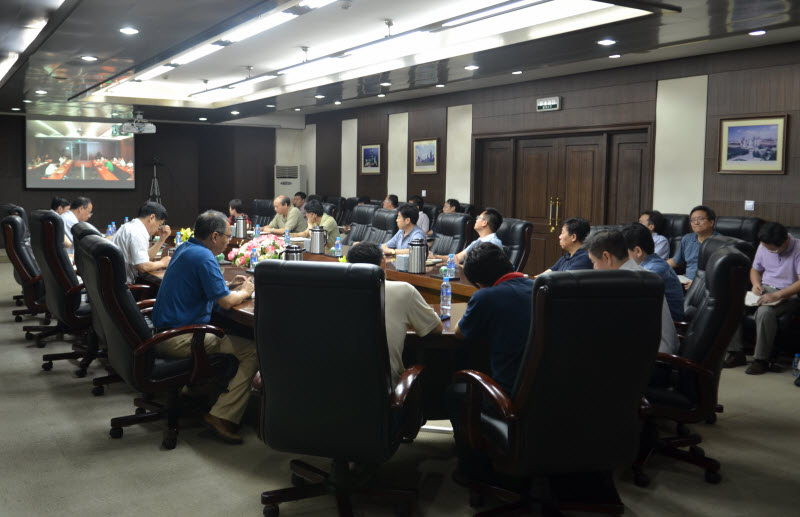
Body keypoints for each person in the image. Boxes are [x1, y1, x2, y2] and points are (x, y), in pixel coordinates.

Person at [152, 210, 257, 444]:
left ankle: (194, 391)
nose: (229, 241)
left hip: (163, 333)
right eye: (227, 236)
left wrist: (228, 285)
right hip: (179, 338)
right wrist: (245, 291)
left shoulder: (186, 248)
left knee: (232, 334)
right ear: (214, 236)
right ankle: (221, 416)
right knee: (252, 350)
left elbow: (203, 286)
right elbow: (226, 302)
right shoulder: (204, 257)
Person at [447, 242, 534, 480]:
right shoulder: (539, 288)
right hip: (550, 392)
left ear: (478, 282)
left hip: (510, 397)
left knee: (457, 391)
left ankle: (473, 470)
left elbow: (459, 333)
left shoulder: (486, 296)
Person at [346, 241, 442, 386]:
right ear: (383, 263)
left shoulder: (334, 294)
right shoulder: (404, 290)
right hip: (383, 390)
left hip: (337, 389)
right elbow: (436, 329)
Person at [586, 230, 679, 355]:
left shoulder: (624, 285)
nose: (594, 268)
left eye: (593, 262)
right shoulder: (642, 275)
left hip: (654, 359)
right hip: (656, 351)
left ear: (607, 257)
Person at [724, 222, 800, 375]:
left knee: (765, 312)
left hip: (789, 294)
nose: (770, 251)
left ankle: (761, 360)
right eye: (767, 248)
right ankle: (736, 353)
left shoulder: (798, 248)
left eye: (773, 249)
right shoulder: (764, 245)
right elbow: (755, 269)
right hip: (765, 289)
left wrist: (778, 295)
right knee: (732, 304)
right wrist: (756, 284)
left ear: (785, 241)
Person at [622, 222, 686, 321]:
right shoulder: (651, 262)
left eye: (624, 252)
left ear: (638, 251)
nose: (622, 256)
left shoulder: (653, 270)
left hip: (669, 323)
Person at [110, 201, 172, 283]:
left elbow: (145, 258)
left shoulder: (130, 226)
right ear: (152, 218)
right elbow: (142, 266)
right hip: (126, 286)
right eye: (159, 224)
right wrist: (162, 263)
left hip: (115, 283)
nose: (158, 229)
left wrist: (161, 240)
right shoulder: (137, 232)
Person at [430, 207, 503, 265]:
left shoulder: (493, 243)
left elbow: (480, 268)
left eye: (478, 217)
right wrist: (435, 257)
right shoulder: (477, 241)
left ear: (484, 223)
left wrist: (455, 265)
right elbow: (457, 258)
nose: (476, 220)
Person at [668, 205, 720, 282]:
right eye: (692, 220)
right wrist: (656, 266)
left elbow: (721, 270)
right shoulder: (687, 239)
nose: (696, 223)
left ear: (711, 222)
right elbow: (675, 261)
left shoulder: (720, 242)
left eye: (700, 219)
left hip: (708, 284)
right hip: (687, 281)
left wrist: (699, 284)